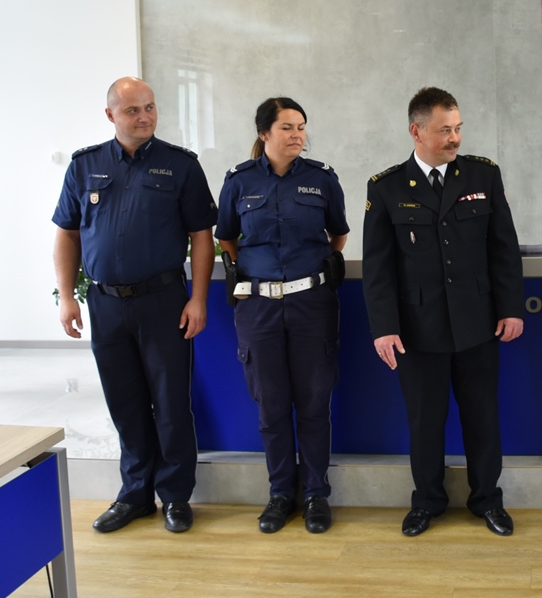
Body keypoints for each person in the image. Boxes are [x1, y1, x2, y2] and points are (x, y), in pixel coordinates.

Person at [53, 77, 217, 534]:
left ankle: (176, 496)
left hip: (164, 302)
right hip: (106, 304)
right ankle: (135, 494)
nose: (144, 117)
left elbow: (201, 236)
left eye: (150, 107)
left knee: (170, 403)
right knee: (124, 403)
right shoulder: (85, 166)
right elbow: (67, 233)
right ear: (111, 115)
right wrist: (66, 297)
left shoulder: (181, 165)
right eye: (132, 110)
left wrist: (198, 298)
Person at [363, 86, 525, 538]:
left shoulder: (483, 175)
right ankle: (427, 502)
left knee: (482, 418)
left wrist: (511, 308)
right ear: (416, 132)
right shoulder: (387, 187)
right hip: (418, 329)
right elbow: (378, 268)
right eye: (444, 130)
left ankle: (487, 500)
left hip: (478, 323)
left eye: (457, 128)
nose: (454, 138)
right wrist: (384, 328)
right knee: (424, 422)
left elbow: (504, 249)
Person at [216, 97, 349, 535]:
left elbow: (338, 234)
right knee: (271, 406)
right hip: (258, 308)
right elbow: (227, 239)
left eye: (301, 127)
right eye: (287, 127)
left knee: (314, 403)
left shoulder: (321, 179)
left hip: (311, 304)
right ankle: (280, 494)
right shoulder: (238, 181)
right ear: (264, 133)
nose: (297, 135)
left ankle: (315, 494)